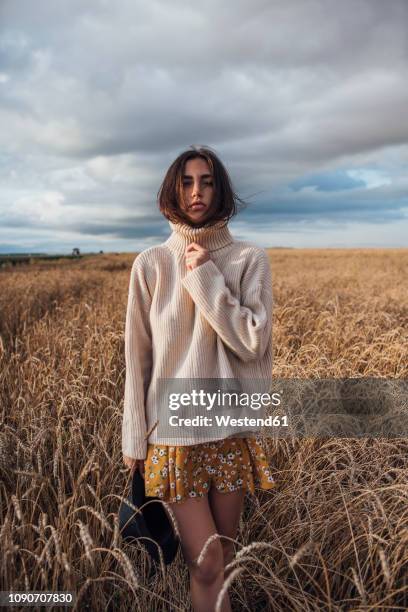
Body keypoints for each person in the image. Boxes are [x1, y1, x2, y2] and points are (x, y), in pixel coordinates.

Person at [122, 145, 275, 612]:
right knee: (205, 564)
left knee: (223, 561)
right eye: (187, 181)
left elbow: (252, 342)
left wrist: (206, 277)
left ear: (220, 188)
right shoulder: (150, 264)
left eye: (206, 181)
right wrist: (134, 441)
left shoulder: (249, 259)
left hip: (230, 432)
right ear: (172, 189)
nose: (196, 191)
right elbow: (138, 358)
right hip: (173, 438)